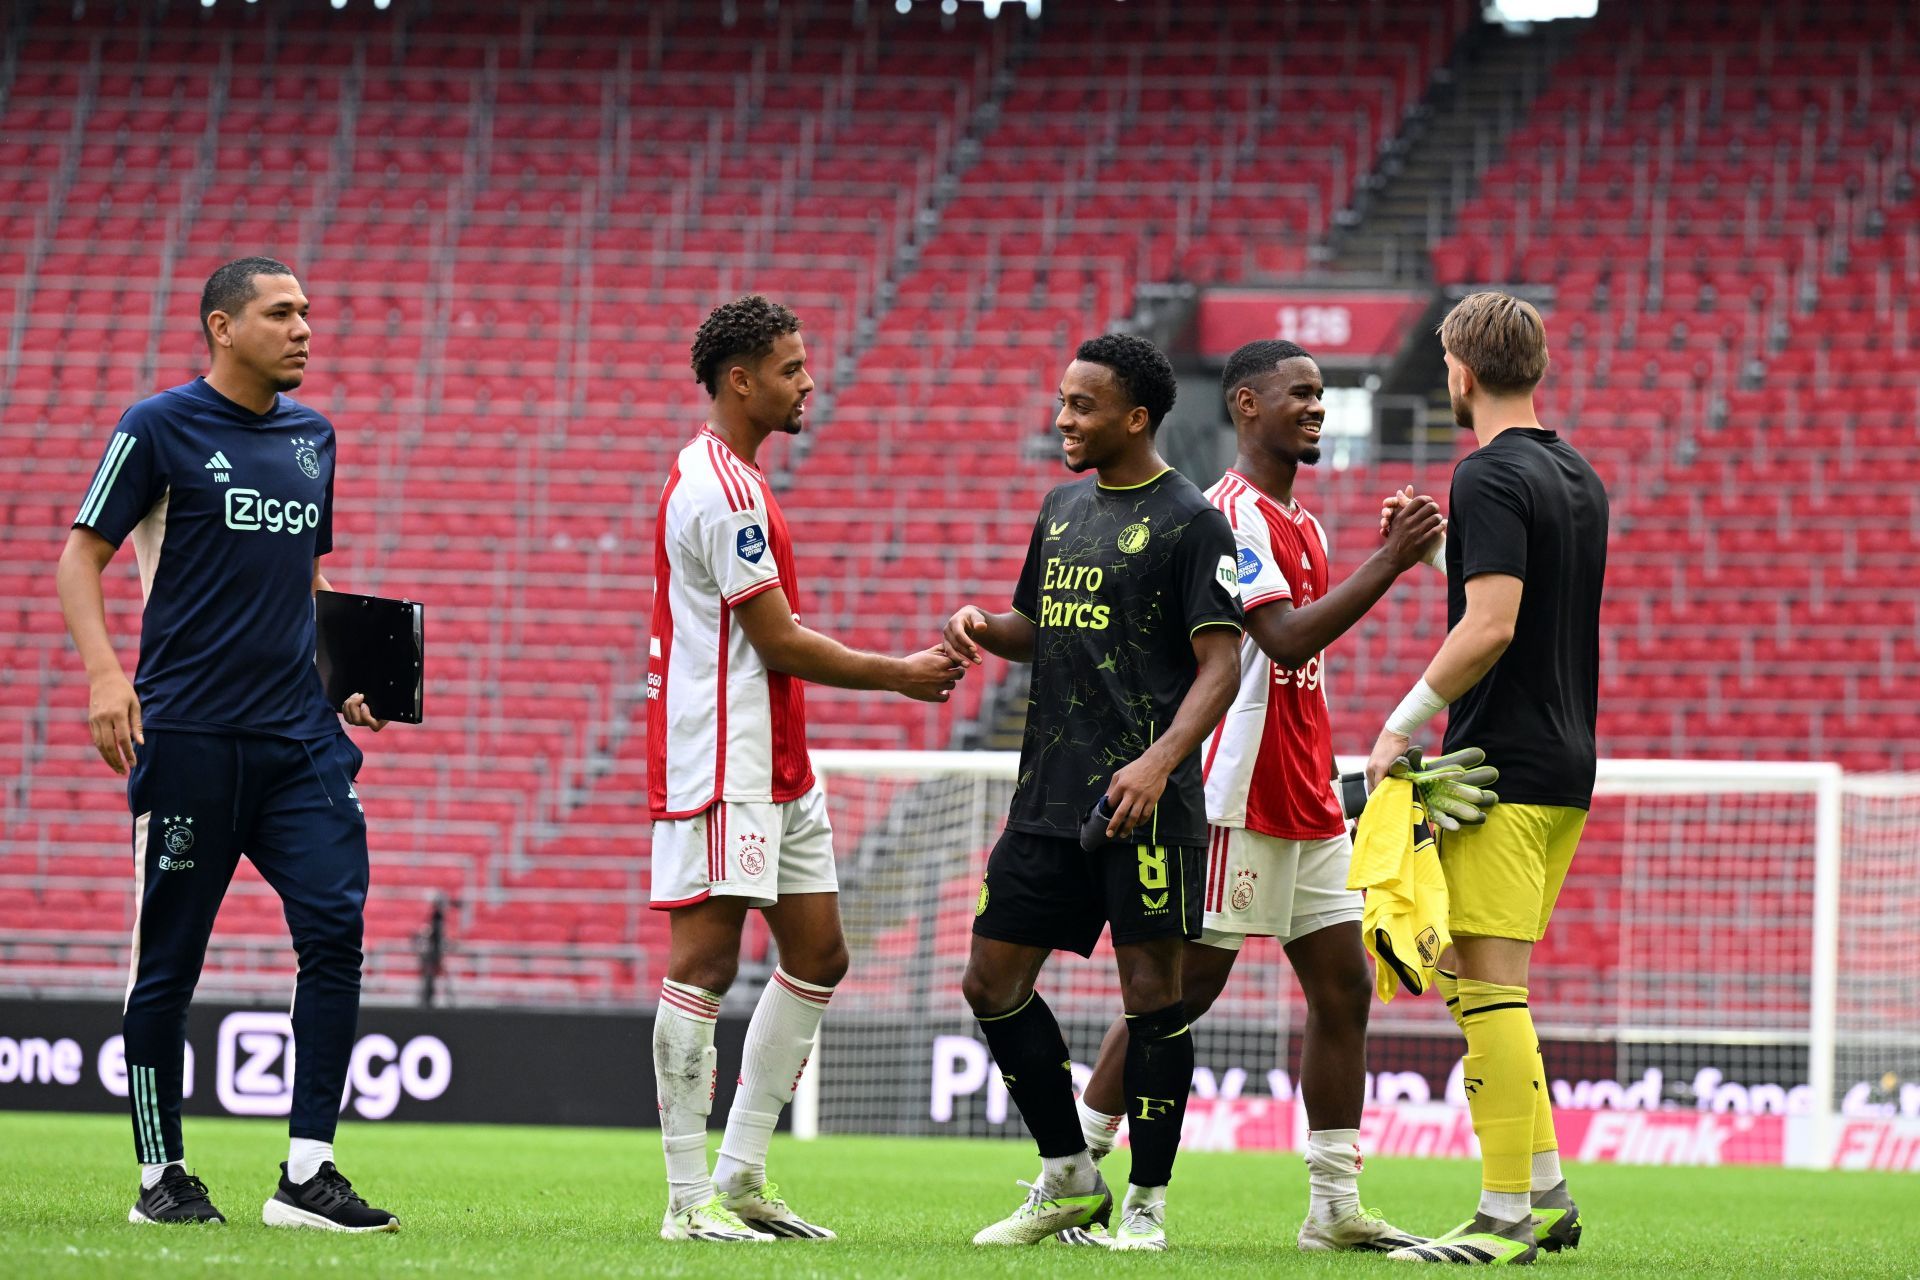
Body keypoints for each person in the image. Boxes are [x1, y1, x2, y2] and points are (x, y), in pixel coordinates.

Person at [1063, 339, 1441, 1252]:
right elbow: (1282, 639)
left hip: (1306, 795)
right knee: (1178, 998)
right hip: (1236, 799)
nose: (1315, 407)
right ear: (1244, 405)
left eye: (1321, 394)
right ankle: (1073, 1171)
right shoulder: (1228, 516)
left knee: (1345, 986)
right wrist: (1389, 562)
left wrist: (1389, 556)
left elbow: (1301, 665)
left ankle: (1332, 1207)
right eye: (1299, 394)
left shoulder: (1301, 523)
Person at [56, 256, 397, 1231]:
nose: (303, 328)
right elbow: (80, 558)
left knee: (335, 935)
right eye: (280, 312)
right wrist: (105, 674)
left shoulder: (312, 438)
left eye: (307, 312)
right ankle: (161, 1172)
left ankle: (308, 1171)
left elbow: (310, 585)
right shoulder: (156, 427)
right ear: (221, 325)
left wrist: (352, 677)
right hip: (192, 738)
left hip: (300, 740)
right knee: (169, 960)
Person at [647, 294, 963, 1243]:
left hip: (778, 760)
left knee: (820, 954)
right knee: (703, 964)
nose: (808, 381)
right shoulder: (722, 488)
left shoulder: (736, 476)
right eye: (790, 367)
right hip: (723, 759)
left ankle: (741, 1176)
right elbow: (775, 641)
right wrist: (900, 676)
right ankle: (686, 1199)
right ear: (740, 381)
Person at [943, 333, 1244, 1252]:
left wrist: (1158, 765)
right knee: (990, 981)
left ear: (1137, 417)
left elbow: (1222, 666)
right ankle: (1070, 1176)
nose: (1064, 418)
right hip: (1048, 795)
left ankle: (1147, 1206)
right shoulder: (1061, 507)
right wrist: (984, 628)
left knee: (1155, 998)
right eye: (1064, 400)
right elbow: (1041, 625)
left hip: (1144, 806)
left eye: (1083, 405)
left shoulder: (1194, 521)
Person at [1364, 292, 1608, 1265]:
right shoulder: (1576, 473)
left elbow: (1493, 626)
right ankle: (1545, 1191)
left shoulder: (1487, 473)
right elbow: (1511, 601)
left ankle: (1503, 1211)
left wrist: (1396, 724)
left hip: (1496, 766)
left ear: (1460, 370)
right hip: (1565, 761)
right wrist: (1436, 554)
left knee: (1492, 981)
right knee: (1472, 973)